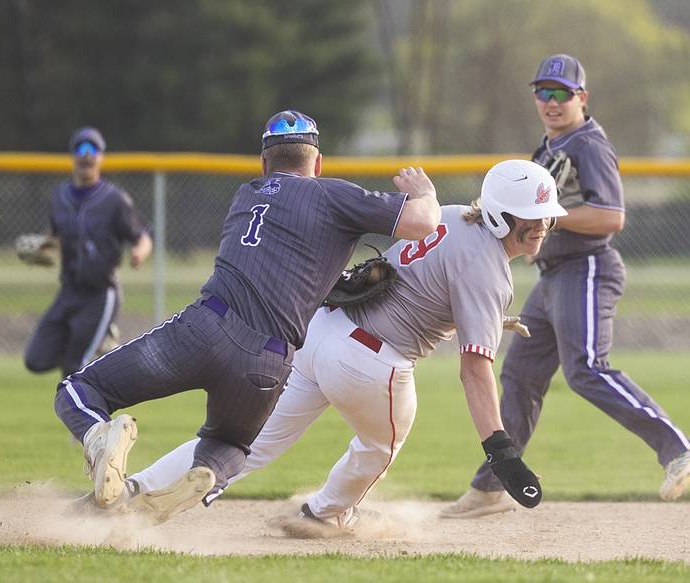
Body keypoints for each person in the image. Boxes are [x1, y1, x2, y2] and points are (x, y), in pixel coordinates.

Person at [102, 159, 566, 531]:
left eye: (546, 217)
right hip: (371, 363)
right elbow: (474, 371)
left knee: (246, 443)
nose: (544, 225)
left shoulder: (447, 217)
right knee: (381, 444)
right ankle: (325, 514)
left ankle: (133, 490)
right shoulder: (490, 269)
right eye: (533, 218)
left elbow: (424, 281)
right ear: (499, 217)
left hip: (320, 335)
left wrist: (486, 318)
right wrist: (500, 449)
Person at [54, 110, 441, 513]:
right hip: (268, 361)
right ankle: (207, 474)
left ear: (263, 163)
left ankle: (100, 438)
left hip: (204, 330)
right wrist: (426, 192)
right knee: (232, 445)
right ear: (318, 162)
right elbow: (423, 222)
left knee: (78, 391)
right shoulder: (334, 195)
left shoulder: (246, 194)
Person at [440, 54, 690, 519]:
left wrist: (546, 217)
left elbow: (611, 216)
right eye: (543, 92)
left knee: (585, 368)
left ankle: (678, 449)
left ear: (581, 98)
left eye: (561, 92)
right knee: (519, 375)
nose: (551, 101)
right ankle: (491, 488)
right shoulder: (549, 146)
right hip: (553, 277)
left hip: (586, 267)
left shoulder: (588, 144)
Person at [24, 127, 153, 377]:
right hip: (69, 291)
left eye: (92, 149)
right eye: (80, 149)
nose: (86, 155)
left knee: (74, 367)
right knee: (36, 360)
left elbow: (143, 237)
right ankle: (99, 346)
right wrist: (41, 249)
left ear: (101, 157)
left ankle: (85, 406)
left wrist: (139, 253)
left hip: (101, 293)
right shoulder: (59, 197)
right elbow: (54, 237)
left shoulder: (114, 199)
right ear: (72, 156)